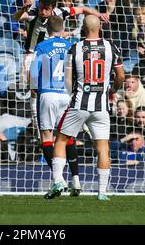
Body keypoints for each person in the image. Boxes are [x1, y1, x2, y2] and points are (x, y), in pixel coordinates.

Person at [44, 15, 125, 201]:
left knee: (61, 140)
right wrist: (112, 90)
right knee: (103, 148)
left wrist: (72, 94)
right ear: (99, 27)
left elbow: (67, 78)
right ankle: (102, 192)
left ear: (84, 29)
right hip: (101, 106)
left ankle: (58, 180)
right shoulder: (111, 48)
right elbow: (121, 76)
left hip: (79, 103)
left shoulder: (75, 48)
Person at [30, 15, 81, 196]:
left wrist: (34, 89)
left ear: (46, 29)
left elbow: (34, 73)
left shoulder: (42, 46)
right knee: (68, 137)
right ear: (63, 27)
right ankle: (76, 179)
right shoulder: (70, 46)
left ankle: (58, 180)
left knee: (47, 137)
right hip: (66, 95)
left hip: (48, 93)